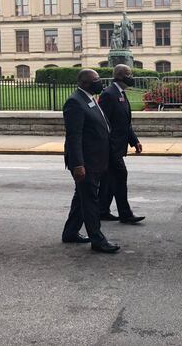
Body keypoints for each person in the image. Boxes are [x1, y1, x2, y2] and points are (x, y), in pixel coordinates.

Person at [62, 69, 120, 254]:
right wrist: (78, 164)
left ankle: (70, 232)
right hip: (86, 162)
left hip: (97, 158)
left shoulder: (89, 98)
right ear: (85, 83)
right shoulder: (75, 102)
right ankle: (98, 239)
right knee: (90, 201)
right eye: (96, 80)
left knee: (81, 198)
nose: (100, 83)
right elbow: (74, 136)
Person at [98, 65, 145, 225]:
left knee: (110, 180)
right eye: (129, 74)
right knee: (120, 176)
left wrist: (134, 141)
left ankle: (102, 210)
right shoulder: (109, 94)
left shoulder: (120, 93)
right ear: (120, 76)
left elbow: (124, 122)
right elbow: (104, 123)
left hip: (118, 147)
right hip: (111, 148)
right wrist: (109, 147)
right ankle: (125, 214)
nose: (131, 77)